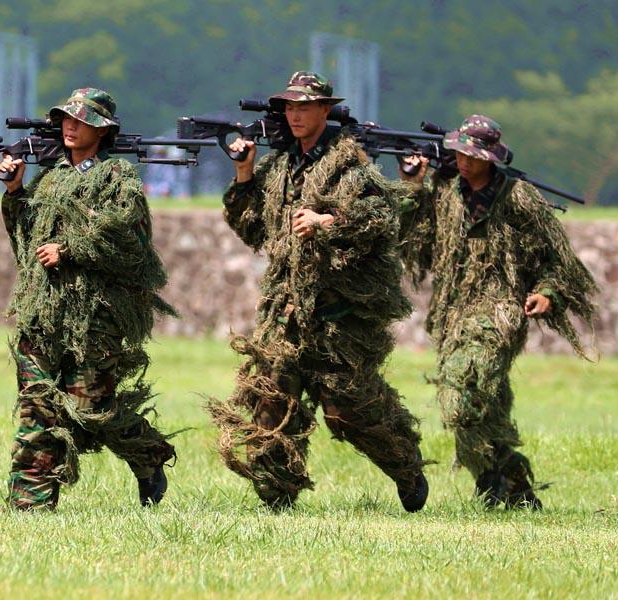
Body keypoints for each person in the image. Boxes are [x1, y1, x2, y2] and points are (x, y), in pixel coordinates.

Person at [208, 71, 428, 511]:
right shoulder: (282, 167)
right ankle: (276, 500)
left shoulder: (350, 166)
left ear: (326, 111)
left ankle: (405, 466)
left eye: (304, 106)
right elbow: (253, 229)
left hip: (339, 316)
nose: (295, 114)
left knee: (347, 412)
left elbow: (380, 219)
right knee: (271, 404)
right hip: (285, 313)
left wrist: (328, 222)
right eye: (289, 107)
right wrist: (244, 173)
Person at [398, 115, 598, 509]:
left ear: (491, 158)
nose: (464, 160)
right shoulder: (443, 192)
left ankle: (494, 479)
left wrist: (548, 293)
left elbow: (559, 259)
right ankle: (509, 485)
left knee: (462, 393)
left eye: (473, 154)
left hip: (501, 309)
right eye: (460, 153)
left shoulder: (518, 197)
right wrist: (413, 186)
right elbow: (409, 236)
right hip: (451, 314)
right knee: (486, 401)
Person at [0, 88, 177, 510]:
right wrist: (15, 192)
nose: (71, 125)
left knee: (89, 407)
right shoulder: (50, 177)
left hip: (95, 315)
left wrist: (70, 249)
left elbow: (130, 245)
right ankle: (30, 503)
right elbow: (25, 239)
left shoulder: (118, 180)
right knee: (36, 406)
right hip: (42, 312)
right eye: (66, 118)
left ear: (103, 130)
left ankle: (146, 452)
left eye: (82, 119)